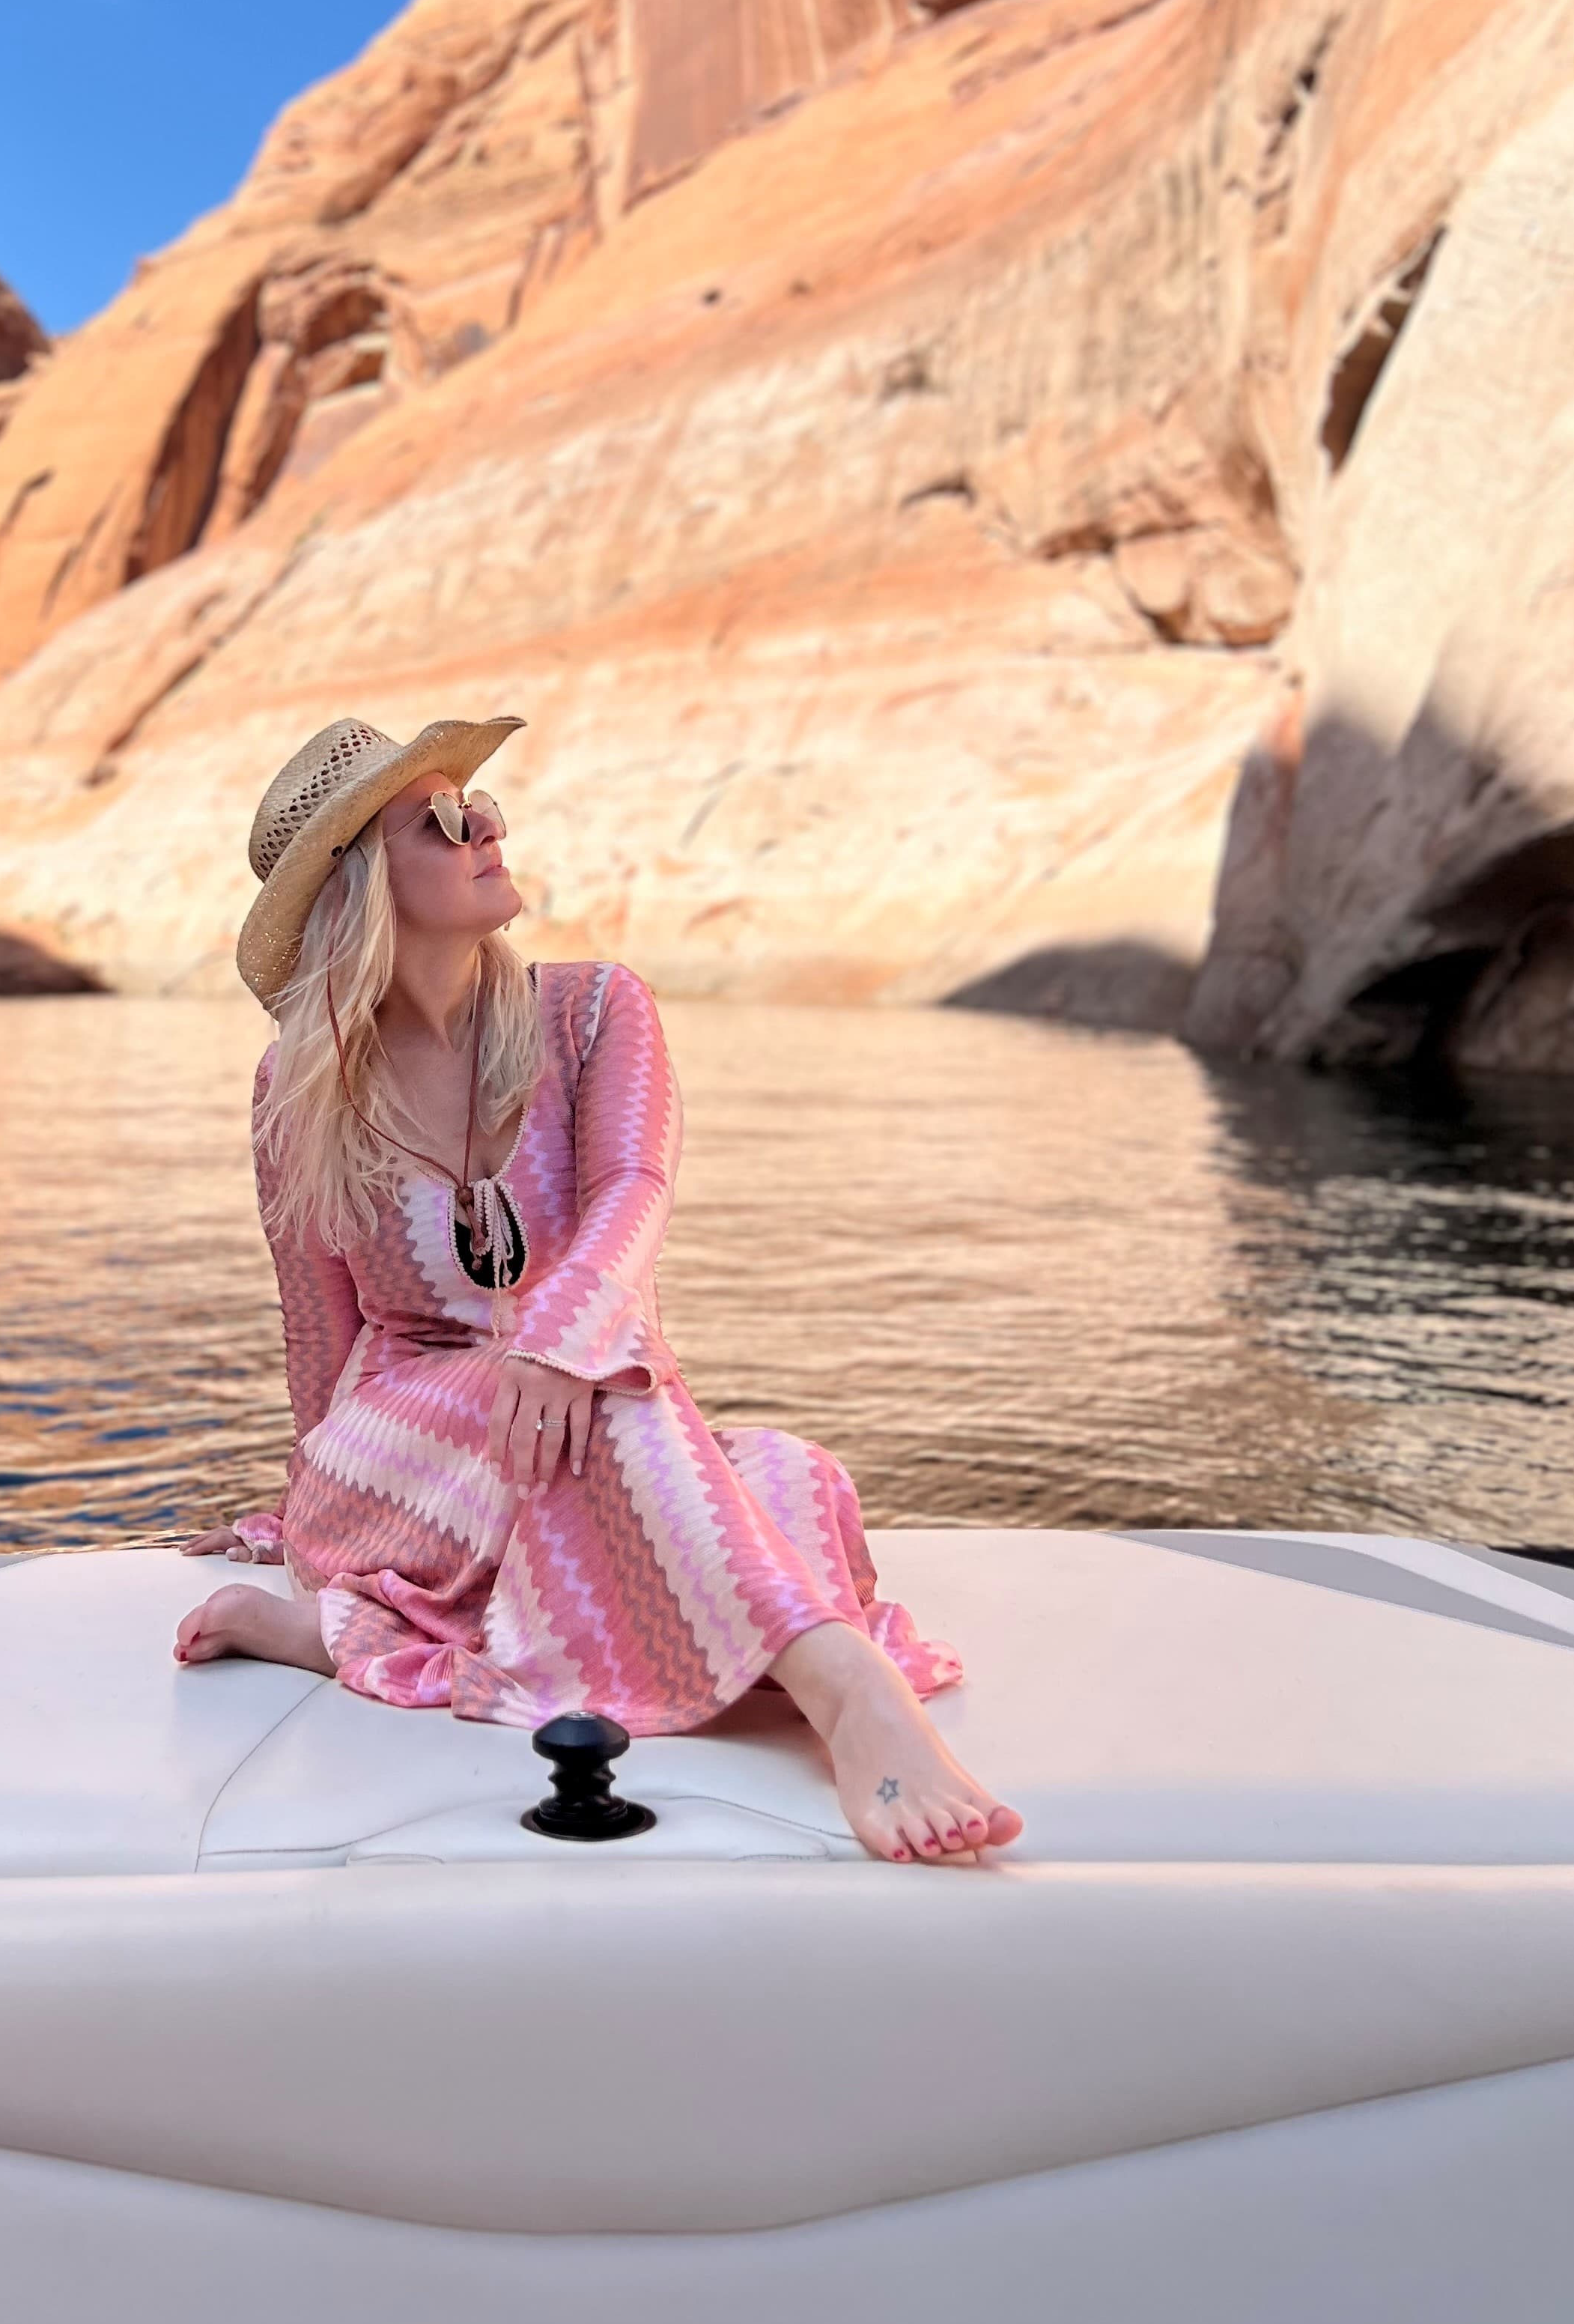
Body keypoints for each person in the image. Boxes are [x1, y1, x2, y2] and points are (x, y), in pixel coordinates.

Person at [175, 713, 1021, 1866]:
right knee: (598, 1418)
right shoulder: (298, 1085)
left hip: (582, 1395)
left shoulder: (592, 1012)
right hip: (401, 1439)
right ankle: (845, 1689)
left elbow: (635, 1191)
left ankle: (337, 1637)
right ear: (361, 881)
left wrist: (555, 1346)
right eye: (447, 821)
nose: (493, 826)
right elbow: (317, 1328)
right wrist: (312, 1525)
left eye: (480, 808)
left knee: (783, 1476)